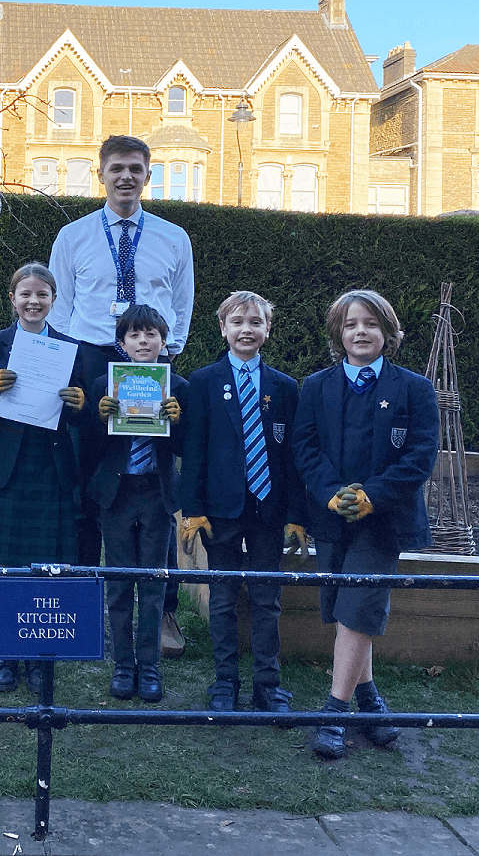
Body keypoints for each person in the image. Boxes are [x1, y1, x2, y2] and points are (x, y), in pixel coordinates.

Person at [47, 134, 195, 653]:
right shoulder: (73, 236)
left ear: (148, 175)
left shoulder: (175, 237)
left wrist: (161, 358)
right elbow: (61, 305)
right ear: (101, 173)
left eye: (135, 168)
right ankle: (90, 608)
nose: (126, 177)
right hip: (92, 359)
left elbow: (181, 304)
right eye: (117, 169)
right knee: (92, 487)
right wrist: (77, 367)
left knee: (155, 487)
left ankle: (165, 614)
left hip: (149, 364)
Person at [292, 289, 439, 760]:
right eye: (352, 324)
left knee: (357, 611)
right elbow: (305, 449)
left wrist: (371, 496)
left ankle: (335, 712)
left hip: (384, 522)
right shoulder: (315, 386)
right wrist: (332, 493)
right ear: (339, 333)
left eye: (371, 324)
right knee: (346, 611)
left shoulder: (414, 388)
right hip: (333, 517)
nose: (361, 332)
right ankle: (371, 701)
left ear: (387, 333)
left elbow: (421, 455)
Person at [178, 291, 305, 716]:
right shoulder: (203, 382)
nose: (245, 330)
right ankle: (225, 682)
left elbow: (293, 459)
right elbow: (193, 451)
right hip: (220, 513)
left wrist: (295, 516)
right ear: (222, 329)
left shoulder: (285, 388)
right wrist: (192, 509)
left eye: (255, 322)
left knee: (268, 599)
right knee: (223, 597)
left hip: (268, 510)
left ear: (267, 330)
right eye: (237, 322)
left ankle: (269, 684)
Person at [0, 261, 88, 694]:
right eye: (26, 294)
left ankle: (38, 655)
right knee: (7, 567)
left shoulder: (69, 346)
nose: (33, 301)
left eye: (42, 295)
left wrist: (78, 401)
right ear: (13, 299)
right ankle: (4, 653)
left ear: (53, 300)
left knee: (43, 568)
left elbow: (83, 410)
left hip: (50, 465)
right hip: (8, 466)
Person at [84, 304, 186, 704]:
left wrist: (176, 422)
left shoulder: (178, 386)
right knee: (119, 581)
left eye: (151, 335)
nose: (143, 342)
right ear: (122, 344)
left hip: (156, 493)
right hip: (117, 493)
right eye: (134, 335)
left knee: (154, 581)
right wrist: (98, 417)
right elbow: (90, 446)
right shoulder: (102, 386)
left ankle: (151, 665)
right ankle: (123, 664)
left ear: (164, 340)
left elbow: (184, 447)